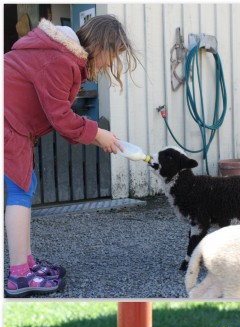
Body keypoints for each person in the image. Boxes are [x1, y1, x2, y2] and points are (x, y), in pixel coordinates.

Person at [4, 15, 139, 297]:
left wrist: (92, 134)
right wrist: (97, 134)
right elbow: (61, 117)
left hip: (14, 122)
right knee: (20, 189)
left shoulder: (59, 53)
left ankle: (26, 263)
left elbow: (58, 116)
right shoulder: (61, 59)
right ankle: (18, 276)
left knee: (26, 185)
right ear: (100, 45)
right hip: (8, 120)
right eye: (111, 55)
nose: (109, 63)